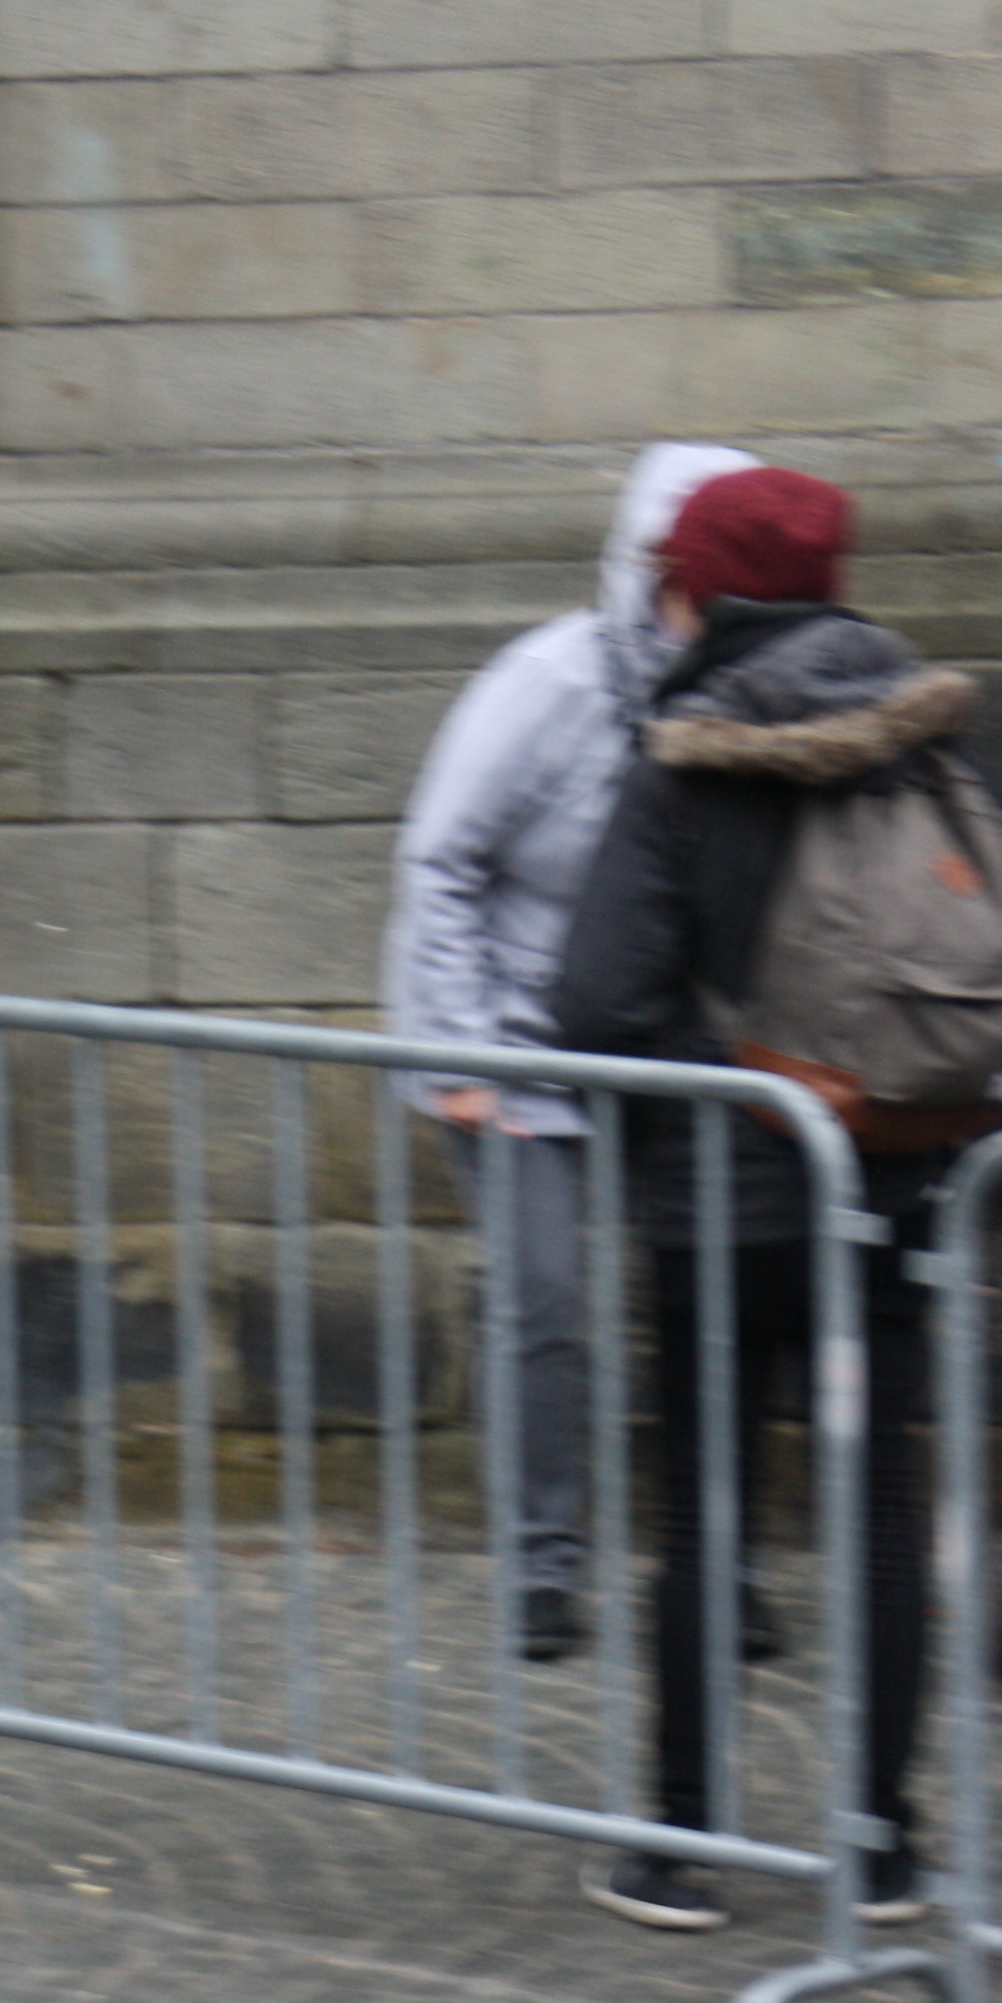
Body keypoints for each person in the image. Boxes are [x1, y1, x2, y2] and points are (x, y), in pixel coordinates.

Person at [552, 464, 981, 1931]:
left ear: (708, 593)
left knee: (707, 1510)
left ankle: (678, 1840)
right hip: (896, 1182)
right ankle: (884, 1844)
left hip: (722, 1204)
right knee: (880, 1509)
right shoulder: (926, 739)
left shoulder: (686, 761)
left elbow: (594, 1000)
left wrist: (723, 1075)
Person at [380, 441, 756, 1660]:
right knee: (545, 1301)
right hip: (513, 1036)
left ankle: (715, 1562)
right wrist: (463, 1061)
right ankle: (544, 1564)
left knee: (717, 1297)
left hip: (661, 1035)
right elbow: (440, 860)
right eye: (684, 583)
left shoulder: (742, 694)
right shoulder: (547, 683)